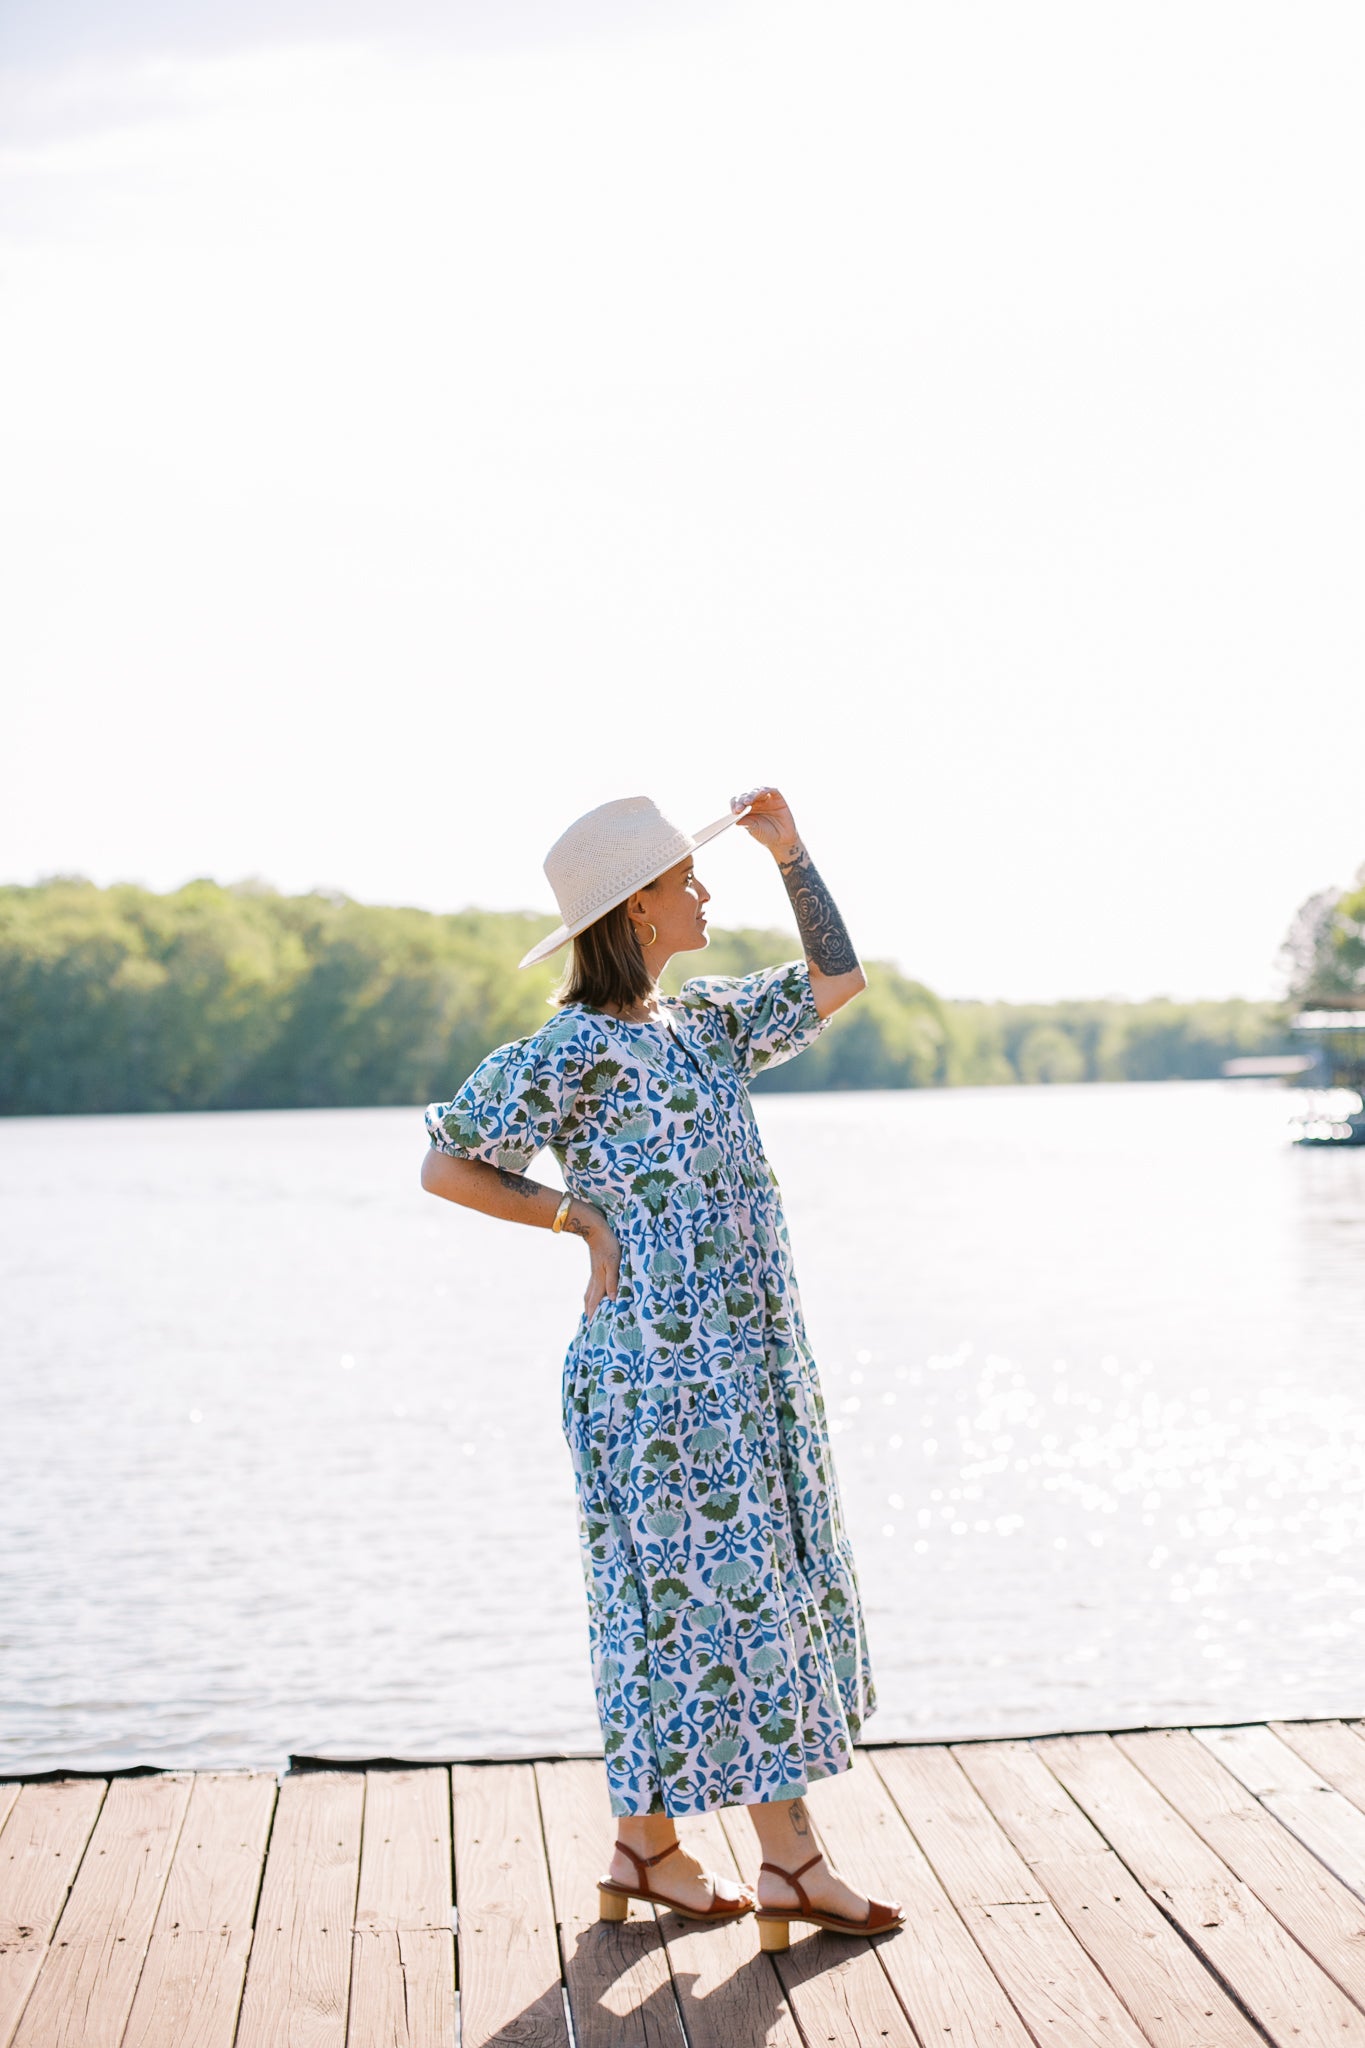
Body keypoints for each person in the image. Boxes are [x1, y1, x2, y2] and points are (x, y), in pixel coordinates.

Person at [421, 786, 902, 1950]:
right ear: (637, 905)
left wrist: (793, 853)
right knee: (735, 1602)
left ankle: (647, 1847)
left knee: (666, 1606)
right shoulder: (571, 1049)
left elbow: (836, 979)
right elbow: (447, 1164)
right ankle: (792, 1861)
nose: (703, 891)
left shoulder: (708, 1024)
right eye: (686, 879)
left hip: (746, 1367)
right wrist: (576, 1214)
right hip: (655, 1379)